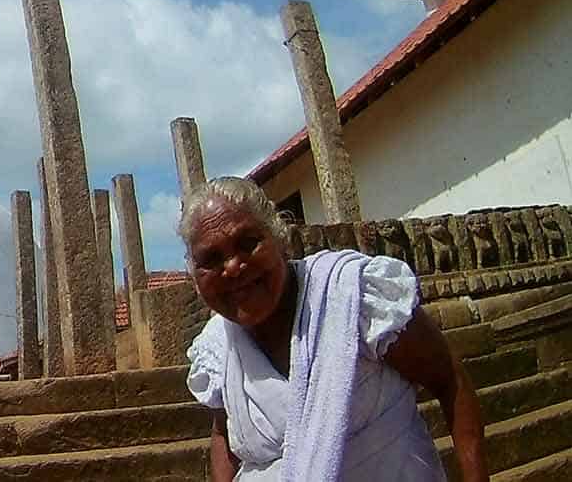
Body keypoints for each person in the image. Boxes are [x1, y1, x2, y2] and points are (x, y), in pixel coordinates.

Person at [181, 177, 486, 481]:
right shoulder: (218, 347)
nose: (233, 267)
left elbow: (448, 379)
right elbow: (225, 434)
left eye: (248, 243)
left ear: (280, 238)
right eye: (211, 258)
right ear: (195, 278)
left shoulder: (352, 297)